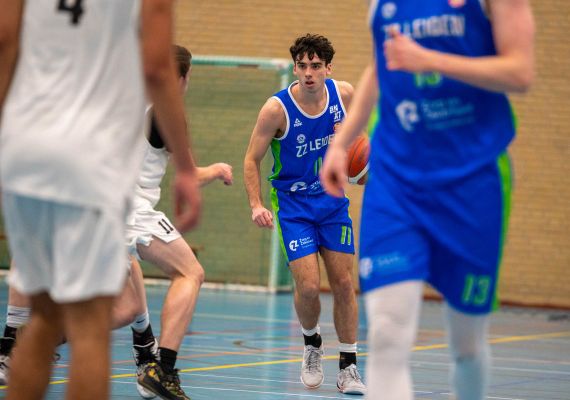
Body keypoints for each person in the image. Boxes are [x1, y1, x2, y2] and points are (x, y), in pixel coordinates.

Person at [320, 1, 535, 399]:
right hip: (397, 181)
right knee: (387, 332)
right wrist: (341, 143)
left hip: (471, 181)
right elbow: (380, 67)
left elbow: (520, 72)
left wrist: (430, 59)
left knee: (467, 344)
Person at [0, 1, 201, 399]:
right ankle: (150, 356)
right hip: (86, 151)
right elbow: (157, 68)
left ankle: (11, 349)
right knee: (90, 324)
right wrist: (185, 169)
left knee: (43, 318)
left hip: (27, 144)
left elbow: (6, 41)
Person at [244, 33, 366, 395]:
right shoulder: (276, 110)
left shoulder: (344, 95)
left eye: (316, 65)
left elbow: (361, 154)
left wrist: (354, 155)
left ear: (328, 67)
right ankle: (312, 343)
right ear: (295, 68)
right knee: (309, 286)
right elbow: (251, 159)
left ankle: (349, 366)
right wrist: (256, 204)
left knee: (343, 283)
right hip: (293, 206)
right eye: (302, 66)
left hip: (332, 202)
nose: (309, 72)